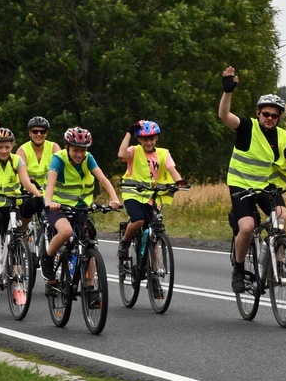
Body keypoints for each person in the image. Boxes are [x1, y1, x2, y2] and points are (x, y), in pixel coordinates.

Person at [218, 66, 286, 293]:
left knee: (282, 217)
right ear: (258, 113)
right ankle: (239, 270)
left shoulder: (283, 136)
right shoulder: (247, 127)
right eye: (266, 114)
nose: (269, 118)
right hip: (240, 185)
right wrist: (228, 92)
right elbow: (224, 116)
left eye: (274, 115)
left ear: (279, 118)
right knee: (247, 227)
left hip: (265, 186)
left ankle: (280, 263)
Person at [41, 127, 122, 281]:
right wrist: (49, 202)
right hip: (57, 206)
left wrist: (114, 198)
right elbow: (51, 183)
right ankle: (47, 258)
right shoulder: (59, 158)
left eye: (82, 151)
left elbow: (103, 179)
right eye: (75, 150)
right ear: (67, 147)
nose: (79, 154)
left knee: (89, 241)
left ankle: (90, 287)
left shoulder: (88, 158)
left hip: (79, 206)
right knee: (65, 232)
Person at [0, 127, 43, 304]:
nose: (4, 151)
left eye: (7, 147)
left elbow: (26, 182)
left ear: (12, 145)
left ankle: (18, 286)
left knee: (18, 241)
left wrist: (39, 195)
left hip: (11, 204)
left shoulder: (17, 160)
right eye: (0, 147)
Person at [117, 120, 186, 258]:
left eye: (151, 139)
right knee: (138, 220)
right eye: (145, 139)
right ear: (140, 140)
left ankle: (153, 272)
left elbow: (172, 170)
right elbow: (121, 154)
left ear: (156, 138)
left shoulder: (163, 153)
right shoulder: (134, 151)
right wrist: (129, 132)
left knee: (153, 229)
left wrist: (179, 182)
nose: (149, 142)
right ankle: (125, 241)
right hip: (134, 194)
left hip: (152, 196)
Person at [16, 116, 60, 230]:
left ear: (46, 134)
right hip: (28, 189)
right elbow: (23, 176)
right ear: (30, 133)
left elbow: (62, 169)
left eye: (42, 131)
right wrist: (35, 192)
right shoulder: (22, 150)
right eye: (35, 131)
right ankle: (23, 231)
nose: (39, 134)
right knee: (29, 204)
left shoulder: (53, 147)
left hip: (50, 189)